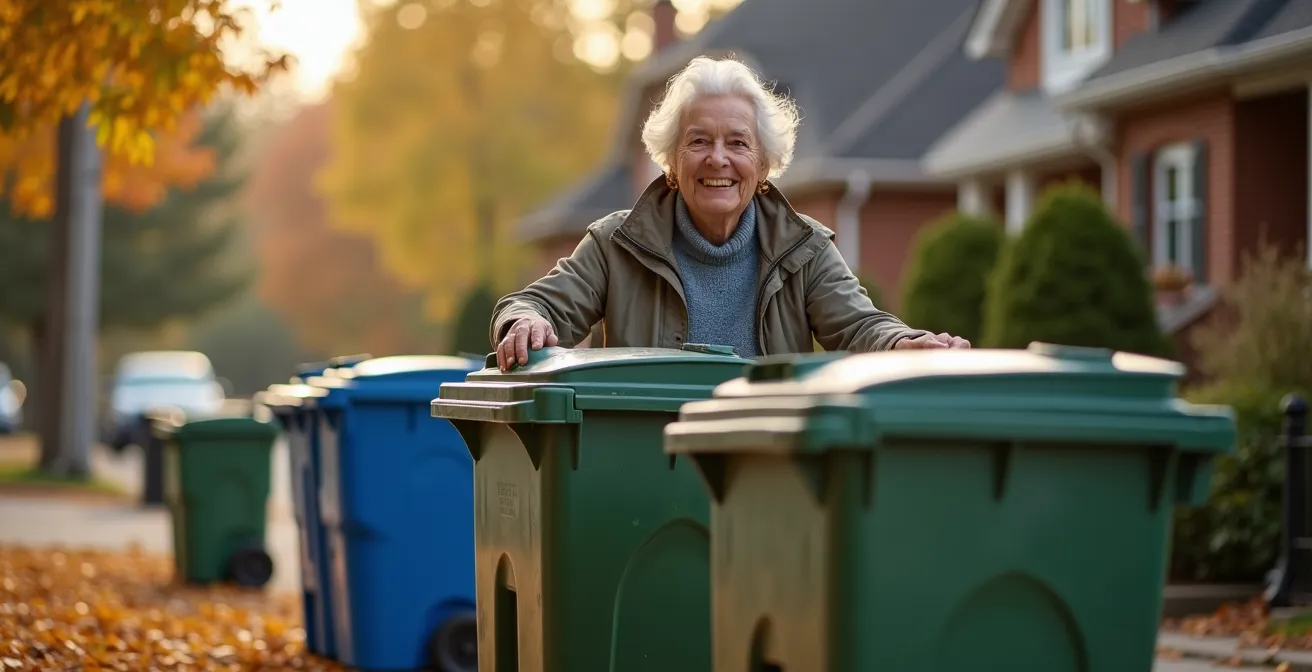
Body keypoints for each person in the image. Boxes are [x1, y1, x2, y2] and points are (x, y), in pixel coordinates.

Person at [492, 56, 970, 371]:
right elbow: (533, 306)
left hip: (763, 471)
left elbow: (860, 325)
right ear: (672, 163)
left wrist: (905, 344)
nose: (718, 159)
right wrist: (525, 323)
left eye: (737, 143)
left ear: (763, 166)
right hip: (647, 463)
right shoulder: (615, 244)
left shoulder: (804, 249)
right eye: (698, 141)